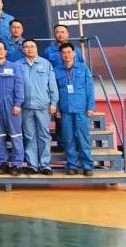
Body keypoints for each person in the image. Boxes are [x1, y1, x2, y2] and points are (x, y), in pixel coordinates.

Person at [55, 42, 98, 176]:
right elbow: (54, 91)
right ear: (60, 55)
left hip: (81, 109)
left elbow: (90, 88)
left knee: (83, 138)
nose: (66, 55)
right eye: (63, 53)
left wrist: (90, 106)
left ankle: (87, 166)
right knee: (68, 139)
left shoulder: (83, 68)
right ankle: (72, 165)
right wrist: (57, 108)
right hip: (65, 110)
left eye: (69, 52)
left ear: (74, 53)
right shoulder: (56, 70)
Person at [20, 39, 58, 175]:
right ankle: (32, 165)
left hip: (43, 107)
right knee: (29, 136)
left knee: (44, 136)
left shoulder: (45, 64)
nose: (29, 49)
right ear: (23, 49)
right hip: (25, 107)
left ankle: (45, 165)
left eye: (32, 46)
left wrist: (54, 103)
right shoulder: (18, 65)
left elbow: (52, 85)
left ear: (37, 48)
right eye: (26, 47)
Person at [0, 41, 25, 175]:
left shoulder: (14, 67)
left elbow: (19, 87)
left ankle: (17, 164)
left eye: (1, 49)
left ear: (5, 51)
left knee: (16, 136)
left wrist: (17, 104)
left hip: (11, 107)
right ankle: (2, 163)